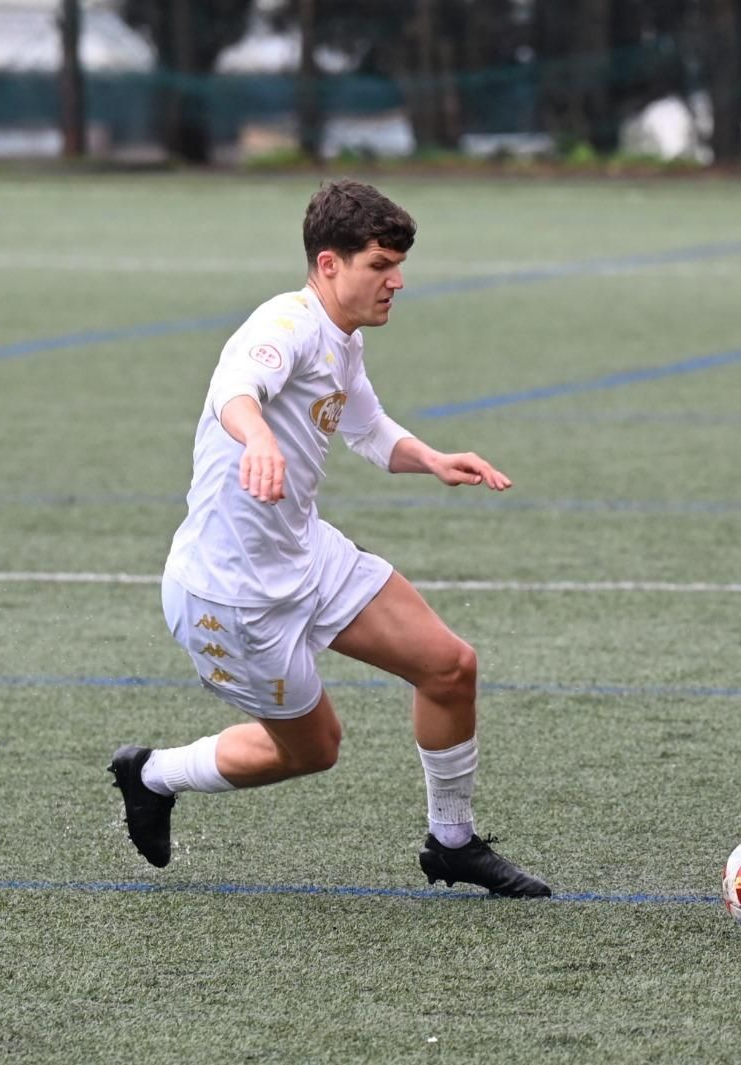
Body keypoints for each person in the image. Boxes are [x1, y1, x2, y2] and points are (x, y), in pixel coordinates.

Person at [108, 178, 550, 898]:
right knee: (314, 749)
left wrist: (433, 459)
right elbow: (232, 391)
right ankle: (153, 774)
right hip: (233, 596)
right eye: (380, 265)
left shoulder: (343, 339)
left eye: (398, 265)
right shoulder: (285, 325)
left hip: (305, 555)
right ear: (328, 265)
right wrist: (257, 439)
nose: (396, 281)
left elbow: (368, 429)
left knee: (449, 667)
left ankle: (452, 843)